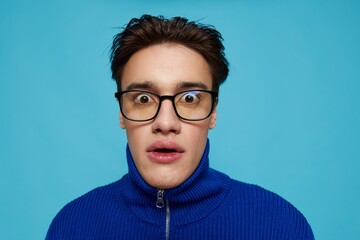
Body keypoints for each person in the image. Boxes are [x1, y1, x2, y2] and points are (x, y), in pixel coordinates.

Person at [46, 14, 314, 239]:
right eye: (143, 99)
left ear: (213, 113)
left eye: (189, 99)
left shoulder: (280, 224)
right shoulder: (71, 226)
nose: (165, 123)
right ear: (121, 113)